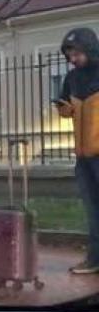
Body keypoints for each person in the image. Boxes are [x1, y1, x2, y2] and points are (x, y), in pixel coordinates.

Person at [57, 27, 99, 275]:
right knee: (92, 210)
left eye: (77, 53)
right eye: (70, 54)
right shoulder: (71, 79)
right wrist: (63, 108)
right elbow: (66, 105)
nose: (73, 59)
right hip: (83, 156)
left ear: (90, 49)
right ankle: (94, 258)